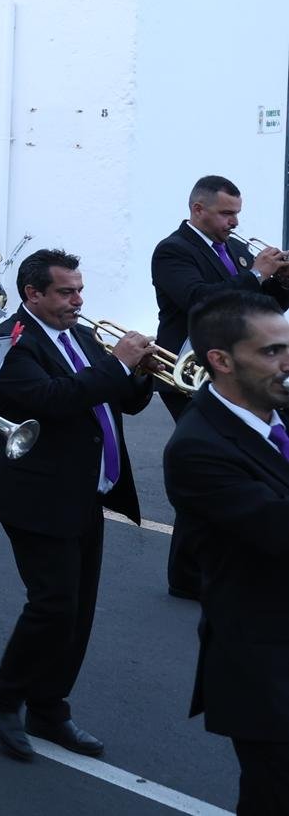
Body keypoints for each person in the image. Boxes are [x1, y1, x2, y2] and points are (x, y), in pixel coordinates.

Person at [0, 249, 154, 763]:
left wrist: (139, 371)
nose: (79, 300)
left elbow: (123, 399)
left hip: (84, 491)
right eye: (66, 292)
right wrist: (118, 363)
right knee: (52, 604)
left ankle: (49, 707)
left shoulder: (79, 334)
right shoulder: (9, 340)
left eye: (79, 290)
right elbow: (52, 399)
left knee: (77, 611)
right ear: (33, 294)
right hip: (36, 493)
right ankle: (3, 696)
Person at [162, 289, 289, 814]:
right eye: (272, 352)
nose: (287, 362)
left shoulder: (277, 409)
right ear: (220, 360)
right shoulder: (197, 448)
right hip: (267, 668)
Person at [150, 173, 289, 600]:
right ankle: (187, 573)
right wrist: (255, 274)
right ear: (198, 209)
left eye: (237, 214)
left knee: (236, 460)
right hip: (185, 371)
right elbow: (201, 302)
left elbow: (254, 311)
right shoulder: (173, 250)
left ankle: (198, 566)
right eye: (227, 213)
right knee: (210, 458)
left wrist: (280, 284)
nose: (234, 222)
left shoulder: (234, 250)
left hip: (232, 371)